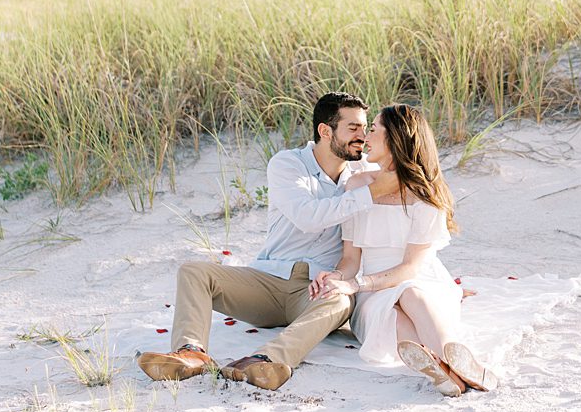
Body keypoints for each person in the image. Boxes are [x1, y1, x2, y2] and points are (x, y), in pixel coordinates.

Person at [136, 91, 399, 390]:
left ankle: (267, 360)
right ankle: (192, 352)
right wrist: (369, 194)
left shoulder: (365, 173)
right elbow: (308, 217)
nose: (362, 137)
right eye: (353, 128)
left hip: (315, 290)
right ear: (325, 131)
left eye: (365, 128)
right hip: (268, 281)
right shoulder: (287, 164)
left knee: (341, 300)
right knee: (194, 271)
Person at [311, 103, 497, 397]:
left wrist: (355, 283)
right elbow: (350, 258)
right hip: (374, 297)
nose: (365, 136)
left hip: (423, 285)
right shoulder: (358, 186)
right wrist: (336, 278)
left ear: (395, 138)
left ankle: (452, 360)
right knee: (392, 316)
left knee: (409, 292)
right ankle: (446, 370)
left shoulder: (426, 194)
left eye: (373, 129)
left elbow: (411, 268)